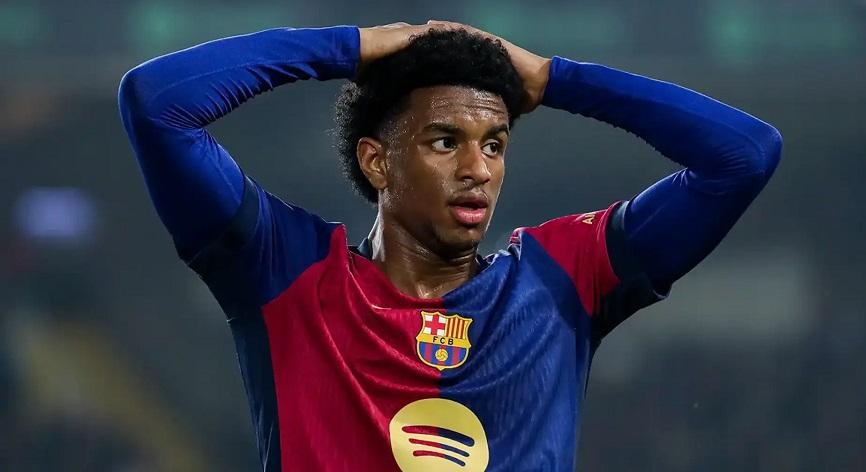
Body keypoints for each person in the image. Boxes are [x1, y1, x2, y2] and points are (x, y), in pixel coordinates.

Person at [118, 20, 781, 471]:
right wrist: (349, 47)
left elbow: (744, 156)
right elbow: (156, 104)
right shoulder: (285, 272)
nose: (478, 169)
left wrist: (554, 78)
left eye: (494, 144)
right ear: (377, 161)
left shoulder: (561, 278)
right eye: (445, 141)